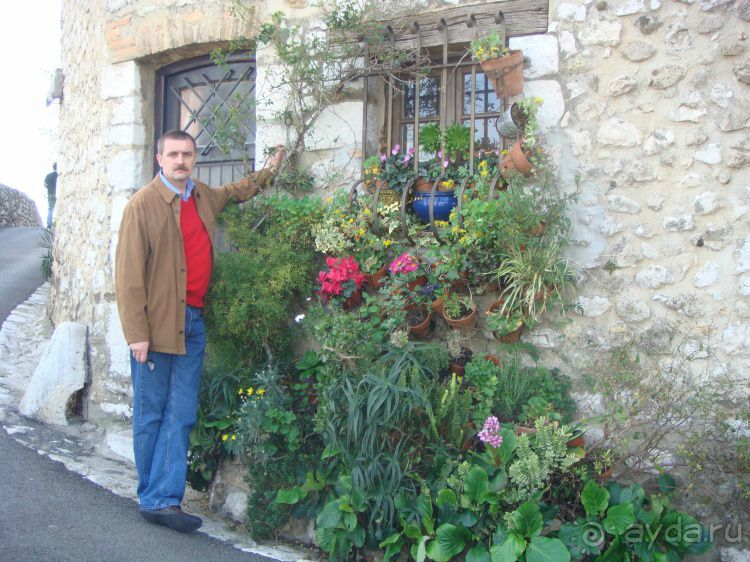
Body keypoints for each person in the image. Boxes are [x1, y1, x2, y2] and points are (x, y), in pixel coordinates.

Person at [115, 130, 285, 533]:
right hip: (155, 327)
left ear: (194, 159)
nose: (180, 160)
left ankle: (164, 499)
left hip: (191, 323)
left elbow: (235, 191)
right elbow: (128, 276)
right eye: (172, 154)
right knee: (152, 412)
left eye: (187, 154)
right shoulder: (143, 205)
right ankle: (153, 495)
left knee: (182, 412)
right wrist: (136, 332)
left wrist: (269, 172)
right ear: (159, 159)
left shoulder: (202, 196)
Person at [44, 163, 57, 228]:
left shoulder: (48, 176)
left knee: (50, 209)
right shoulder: (58, 175)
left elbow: (45, 185)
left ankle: (49, 225)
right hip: (57, 193)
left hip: (50, 194)